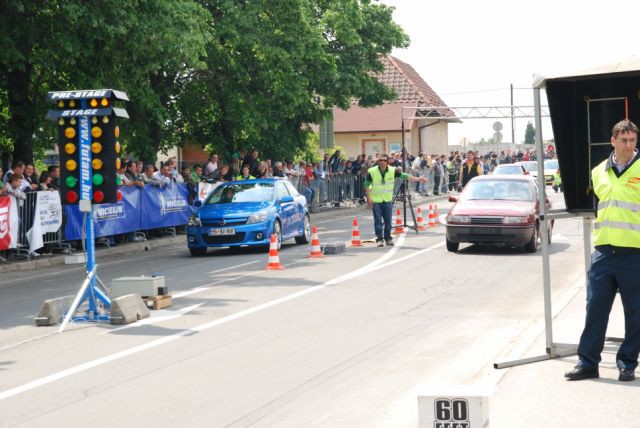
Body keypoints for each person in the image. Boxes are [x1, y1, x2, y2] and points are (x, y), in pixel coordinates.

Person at [565, 119, 640, 382]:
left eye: (633, 140)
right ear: (613, 141)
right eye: (624, 140)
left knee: (636, 313)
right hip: (604, 253)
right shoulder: (598, 171)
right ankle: (588, 363)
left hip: (635, 254)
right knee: (595, 309)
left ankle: (627, 363)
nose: (629, 145)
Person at [364, 154, 426, 247]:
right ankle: (380, 239)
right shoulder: (372, 171)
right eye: (381, 160)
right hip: (376, 200)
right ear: (378, 161)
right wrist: (369, 198)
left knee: (388, 221)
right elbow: (366, 184)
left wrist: (417, 179)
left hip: (387, 199)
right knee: (378, 221)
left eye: (385, 160)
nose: (383, 162)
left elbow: (404, 176)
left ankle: (388, 238)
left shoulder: (392, 170)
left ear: (387, 162)